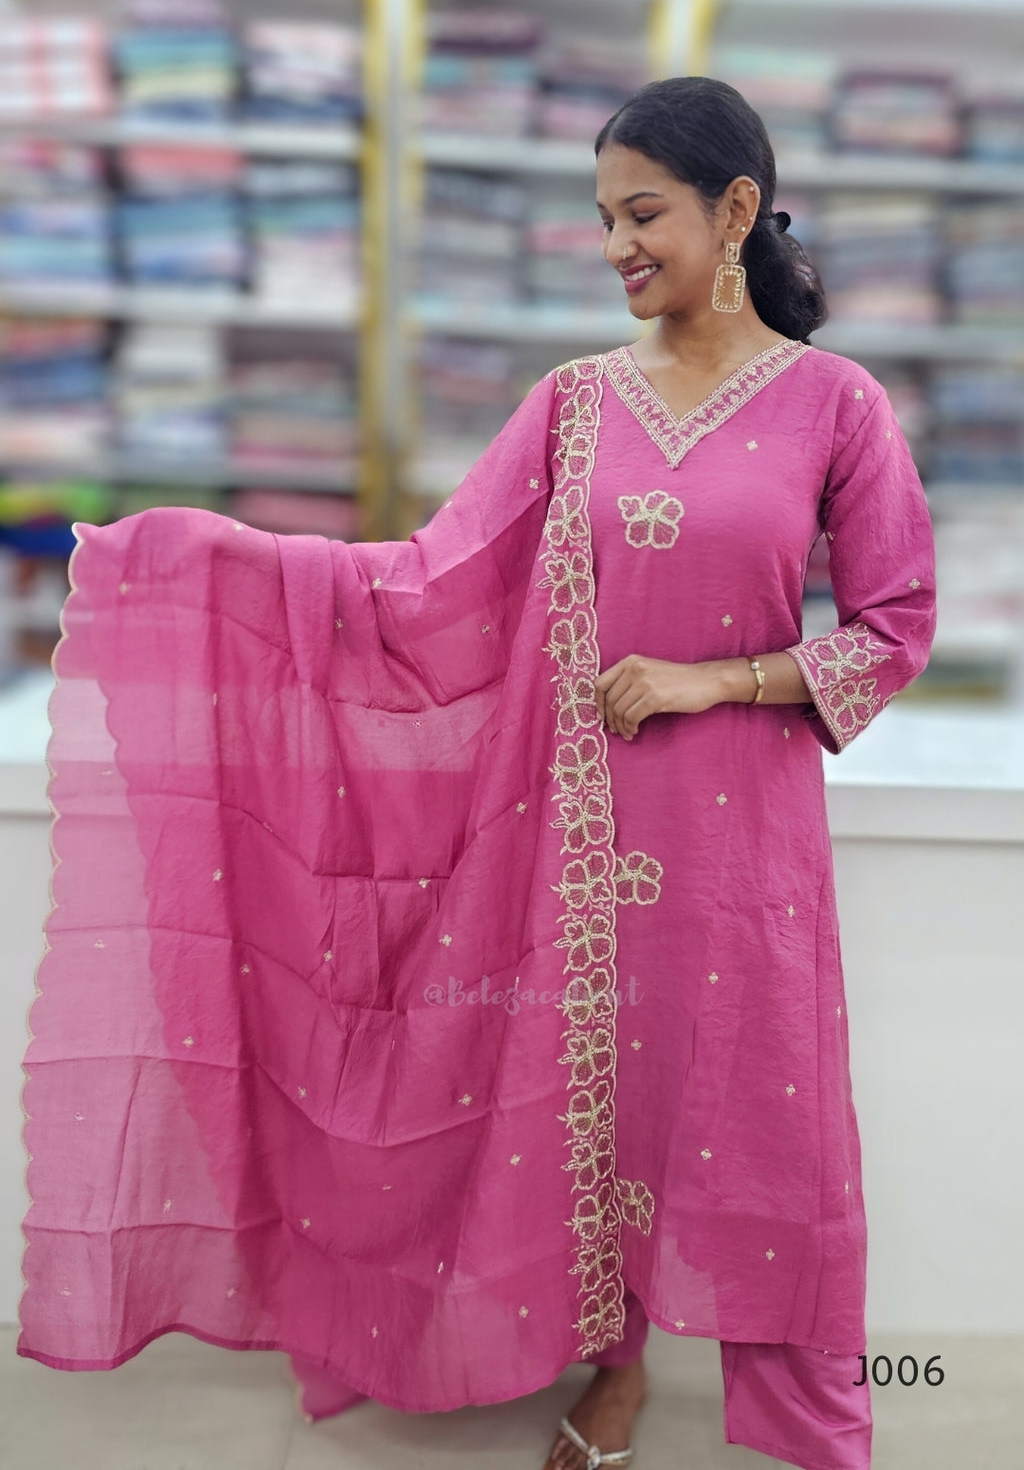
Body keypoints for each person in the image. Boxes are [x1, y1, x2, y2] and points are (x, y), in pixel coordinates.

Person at [18, 78, 936, 1470]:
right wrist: (200, 565)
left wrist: (721, 677)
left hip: (744, 848)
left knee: (762, 1122)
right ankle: (613, 1373)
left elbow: (895, 624)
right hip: (567, 835)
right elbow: (424, 582)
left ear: (735, 210)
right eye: (602, 221)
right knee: (600, 1105)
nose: (617, 247)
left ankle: (817, 1423)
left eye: (643, 214)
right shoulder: (572, 405)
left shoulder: (835, 407)